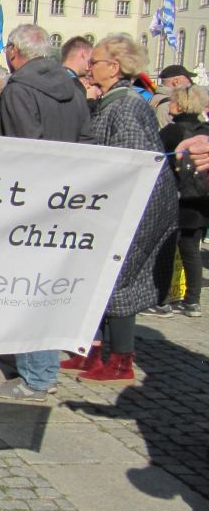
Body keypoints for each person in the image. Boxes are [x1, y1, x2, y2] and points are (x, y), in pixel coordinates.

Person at [0, 25, 92, 400]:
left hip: (32, 203)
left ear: (14, 50)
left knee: (27, 288)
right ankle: (38, 367)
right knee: (48, 286)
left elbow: (23, 151)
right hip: (69, 198)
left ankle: (35, 375)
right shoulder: (73, 89)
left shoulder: (20, 88)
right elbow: (87, 140)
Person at [73, 35, 178, 383]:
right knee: (101, 279)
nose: (90, 68)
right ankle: (94, 352)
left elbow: (133, 160)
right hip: (118, 204)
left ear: (113, 67)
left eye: (95, 62)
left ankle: (121, 360)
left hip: (135, 207)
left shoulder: (126, 105)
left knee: (120, 279)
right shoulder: (112, 102)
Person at [159, 84, 209, 317]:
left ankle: (161, 300)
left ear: (179, 104)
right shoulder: (206, 131)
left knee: (166, 249)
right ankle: (192, 301)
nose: (169, 105)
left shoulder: (172, 132)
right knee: (191, 249)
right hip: (201, 198)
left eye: (171, 101)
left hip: (177, 197)